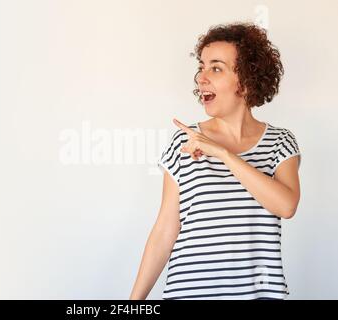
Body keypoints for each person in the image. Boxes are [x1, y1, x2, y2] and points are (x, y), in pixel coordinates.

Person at [129, 22, 301, 300]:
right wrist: (132, 303)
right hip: (189, 293)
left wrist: (222, 153)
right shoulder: (185, 142)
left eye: (216, 68)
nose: (201, 77)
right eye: (202, 66)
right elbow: (164, 230)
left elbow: (286, 205)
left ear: (246, 80)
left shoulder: (280, 142)